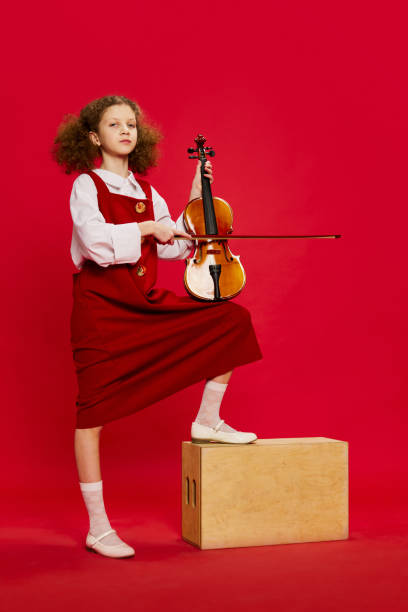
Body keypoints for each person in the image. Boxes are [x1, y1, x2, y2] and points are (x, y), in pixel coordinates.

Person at [52, 94, 263, 559]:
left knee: (231, 319)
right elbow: (97, 244)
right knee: (92, 414)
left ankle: (207, 421)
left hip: (145, 305)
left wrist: (194, 203)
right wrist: (149, 229)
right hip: (102, 312)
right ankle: (99, 527)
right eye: (114, 124)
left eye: (131, 124)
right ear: (93, 135)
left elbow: (175, 246)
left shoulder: (148, 192)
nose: (126, 130)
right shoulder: (86, 185)